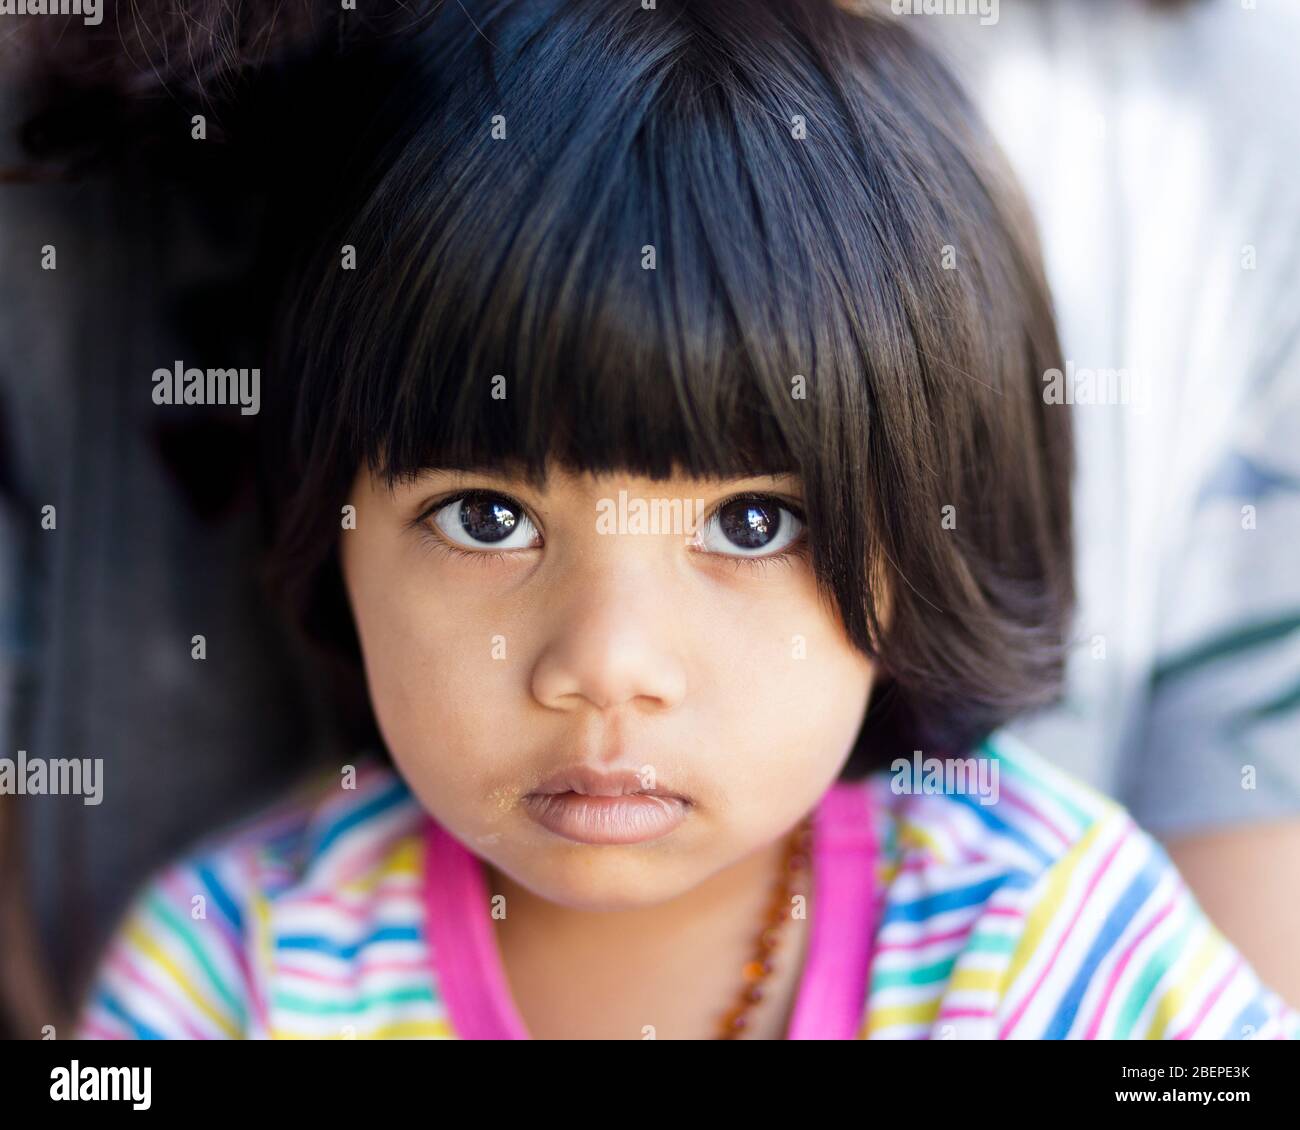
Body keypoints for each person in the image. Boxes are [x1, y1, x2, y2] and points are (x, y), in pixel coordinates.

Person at [72, 0, 1297, 1039]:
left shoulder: (1049, 946)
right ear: (326, 525)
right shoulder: (237, 978)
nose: (605, 662)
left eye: (754, 525)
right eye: (489, 517)